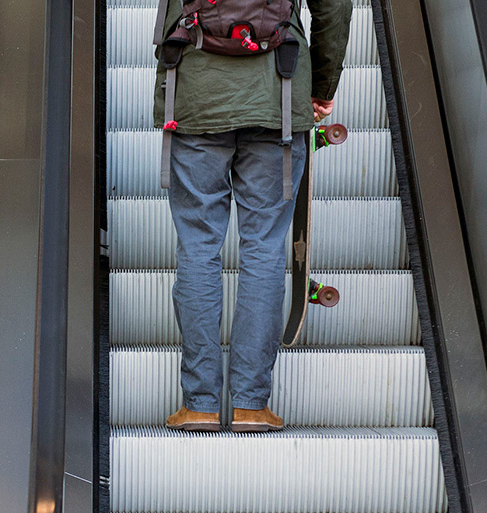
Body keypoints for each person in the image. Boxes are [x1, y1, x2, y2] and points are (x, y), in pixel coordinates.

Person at [156, 0, 353, 432]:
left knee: (197, 247)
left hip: (196, 96)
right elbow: (334, 7)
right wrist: (320, 86)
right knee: (264, 248)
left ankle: (200, 404)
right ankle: (250, 404)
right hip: (278, 95)